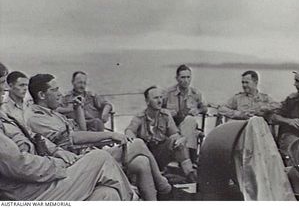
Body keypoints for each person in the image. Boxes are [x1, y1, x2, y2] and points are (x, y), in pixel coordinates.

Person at [0, 62, 135, 201]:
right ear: (41, 95)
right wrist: (59, 163)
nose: (5, 89)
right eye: (2, 83)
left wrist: (58, 151)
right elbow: (20, 165)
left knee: (107, 194)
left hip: (37, 182)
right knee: (101, 158)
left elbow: (35, 137)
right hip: (29, 193)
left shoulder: (6, 117)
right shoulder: (34, 117)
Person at [27, 74, 171, 201]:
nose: (59, 94)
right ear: (41, 95)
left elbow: (81, 130)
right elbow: (73, 138)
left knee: (142, 162)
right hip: (79, 165)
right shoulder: (36, 118)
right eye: (54, 90)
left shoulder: (54, 114)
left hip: (85, 155)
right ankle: (161, 183)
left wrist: (78, 109)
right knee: (138, 143)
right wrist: (111, 134)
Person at [126, 86, 197, 182]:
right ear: (147, 101)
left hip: (160, 154)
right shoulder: (140, 117)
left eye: (160, 97)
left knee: (178, 142)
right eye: (155, 98)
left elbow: (174, 134)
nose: (160, 101)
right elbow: (129, 131)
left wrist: (179, 140)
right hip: (146, 155)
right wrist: (131, 137)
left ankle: (190, 174)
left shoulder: (166, 115)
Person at [163, 65, 207, 163]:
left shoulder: (196, 93)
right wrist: (168, 112)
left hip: (189, 126)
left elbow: (204, 108)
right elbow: (158, 109)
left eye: (188, 77)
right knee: (188, 126)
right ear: (177, 78)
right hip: (172, 126)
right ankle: (190, 159)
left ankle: (188, 158)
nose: (186, 80)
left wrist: (197, 110)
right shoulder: (168, 93)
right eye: (183, 77)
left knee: (189, 120)